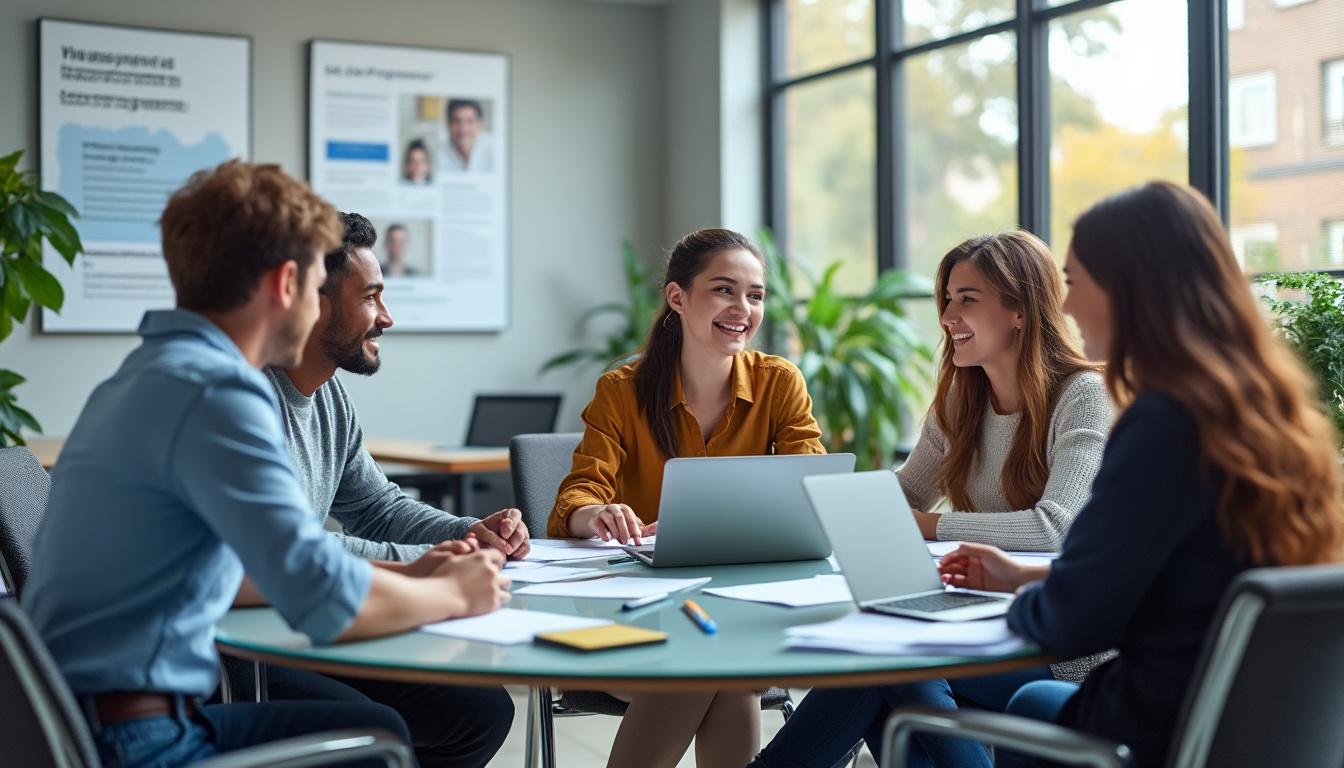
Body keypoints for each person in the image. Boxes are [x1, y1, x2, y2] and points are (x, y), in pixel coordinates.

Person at [23, 160, 511, 768]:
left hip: (77, 721)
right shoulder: (216, 391)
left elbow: (267, 564)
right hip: (137, 744)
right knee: (378, 745)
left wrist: (423, 575)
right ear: (287, 284)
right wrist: (454, 594)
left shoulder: (149, 373)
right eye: (313, 288)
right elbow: (319, 597)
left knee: (391, 722)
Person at [937, 182, 1344, 767]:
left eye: (1076, 283)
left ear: (1132, 287)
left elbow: (1071, 620)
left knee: (1025, 701)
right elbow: (1177, 580)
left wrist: (1012, 602)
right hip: (1260, 732)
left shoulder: (1161, 422)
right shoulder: (1278, 420)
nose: (1068, 307)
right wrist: (1024, 577)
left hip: (1156, 733)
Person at [748, 231, 1113, 768]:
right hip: (977, 621)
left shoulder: (1083, 395)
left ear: (1020, 309)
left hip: (1060, 648)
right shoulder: (961, 399)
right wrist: (820, 500)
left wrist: (928, 527)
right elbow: (906, 490)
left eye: (967, 299)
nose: (947, 315)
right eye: (946, 299)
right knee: (883, 672)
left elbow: (1056, 529)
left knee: (893, 664)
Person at [233, 211, 528, 767]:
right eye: (370, 297)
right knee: (380, 729)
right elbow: (291, 551)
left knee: (480, 712)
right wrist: (438, 562)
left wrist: (470, 532)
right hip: (240, 644)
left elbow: (376, 506)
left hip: (300, 621)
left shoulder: (328, 397)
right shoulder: (246, 401)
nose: (387, 318)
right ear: (313, 304)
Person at [548, 228, 825, 768]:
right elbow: (577, 496)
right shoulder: (622, 390)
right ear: (678, 298)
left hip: (741, 607)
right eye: (724, 290)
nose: (742, 308)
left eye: (756, 294)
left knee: (718, 665)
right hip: (634, 610)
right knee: (718, 669)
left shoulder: (779, 384)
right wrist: (595, 514)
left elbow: (811, 486)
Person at [442, 98, 493, 173]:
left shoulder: (493, 149)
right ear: (448, 125)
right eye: (457, 121)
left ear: (480, 124)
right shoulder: (438, 154)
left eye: (469, 121)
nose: (463, 129)